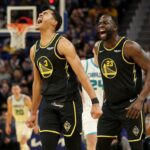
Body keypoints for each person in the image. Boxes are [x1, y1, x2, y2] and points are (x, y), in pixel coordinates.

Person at [26, 6, 102, 150]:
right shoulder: (34, 50)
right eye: (41, 13)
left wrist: (95, 102)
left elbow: (82, 75)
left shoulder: (63, 44)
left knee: (73, 147)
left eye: (46, 13)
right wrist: (33, 112)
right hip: (48, 105)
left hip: (69, 103)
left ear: (54, 23)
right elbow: (37, 83)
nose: (41, 13)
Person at [94, 14, 150, 150]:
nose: (101, 25)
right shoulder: (97, 48)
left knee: (137, 147)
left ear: (115, 27)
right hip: (109, 108)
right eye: (99, 23)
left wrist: (140, 100)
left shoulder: (130, 47)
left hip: (131, 106)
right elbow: (107, 78)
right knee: (100, 146)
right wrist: (103, 101)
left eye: (105, 22)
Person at [81, 49, 103, 150]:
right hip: (89, 111)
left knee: (102, 145)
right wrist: (79, 95)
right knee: (92, 143)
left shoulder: (109, 66)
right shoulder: (84, 64)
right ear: (94, 50)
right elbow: (69, 79)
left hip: (105, 111)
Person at [5, 83, 32, 150]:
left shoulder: (26, 98)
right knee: (22, 144)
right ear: (11, 91)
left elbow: (34, 111)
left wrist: (35, 123)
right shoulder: (10, 100)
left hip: (27, 122)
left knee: (23, 140)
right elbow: (9, 113)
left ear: (20, 90)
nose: (15, 91)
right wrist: (7, 125)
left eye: (17, 89)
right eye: (14, 89)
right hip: (18, 122)